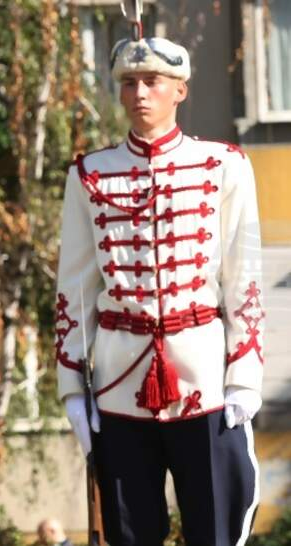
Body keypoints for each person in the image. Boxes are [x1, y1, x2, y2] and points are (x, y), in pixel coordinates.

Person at [55, 35, 263, 545]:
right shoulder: (89, 175)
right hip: (119, 385)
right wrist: (71, 387)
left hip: (205, 381)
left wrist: (244, 376)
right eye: (129, 83)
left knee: (218, 528)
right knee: (129, 534)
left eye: (152, 82)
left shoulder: (224, 165)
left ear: (180, 90)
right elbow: (73, 287)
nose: (139, 94)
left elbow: (243, 277)